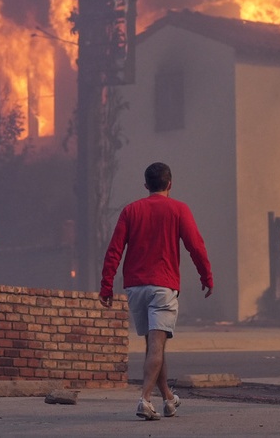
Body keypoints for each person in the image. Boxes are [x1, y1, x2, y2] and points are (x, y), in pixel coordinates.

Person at [99, 162, 213, 420]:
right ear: (170, 184)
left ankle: (169, 399)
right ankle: (145, 399)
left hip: (136, 287)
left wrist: (107, 285)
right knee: (157, 346)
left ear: (146, 185)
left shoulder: (131, 211)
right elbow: (196, 245)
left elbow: (114, 250)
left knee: (154, 345)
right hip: (163, 286)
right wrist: (206, 276)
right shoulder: (179, 209)